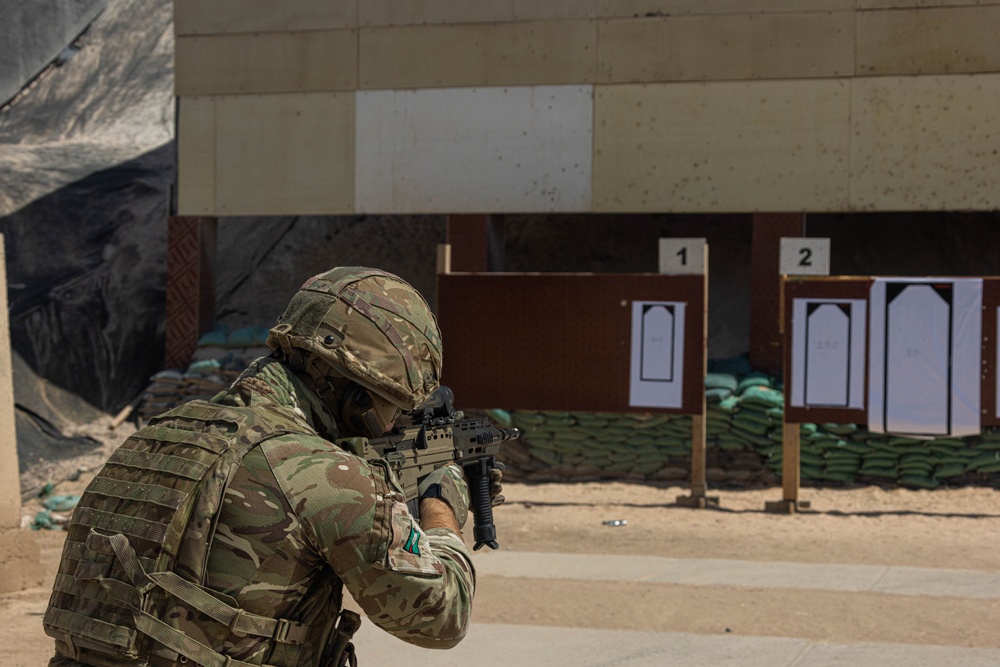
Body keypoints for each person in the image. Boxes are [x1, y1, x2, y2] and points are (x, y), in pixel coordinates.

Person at [44, 267, 496, 667]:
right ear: (353, 390)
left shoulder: (154, 438)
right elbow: (441, 617)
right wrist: (439, 503)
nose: (394, 422)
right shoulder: (322, 474)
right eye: (392, 406)